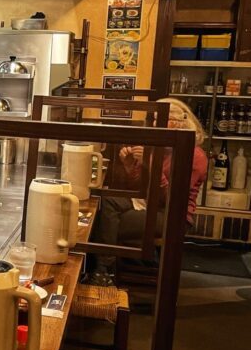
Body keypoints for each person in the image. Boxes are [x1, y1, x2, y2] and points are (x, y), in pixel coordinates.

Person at [89, 98, 208, 286]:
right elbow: (141, 187)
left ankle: (105, 271)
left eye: (162, 118)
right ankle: (108, 267)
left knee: (103, 224)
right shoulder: (161, 146)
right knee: (107, 203)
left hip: (172, 216)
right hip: (149, 203)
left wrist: (151, 163)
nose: (155, 123)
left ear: (181, 122)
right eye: (153, 119)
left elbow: (171, 199)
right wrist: (130, 167)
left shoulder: (194, 155)